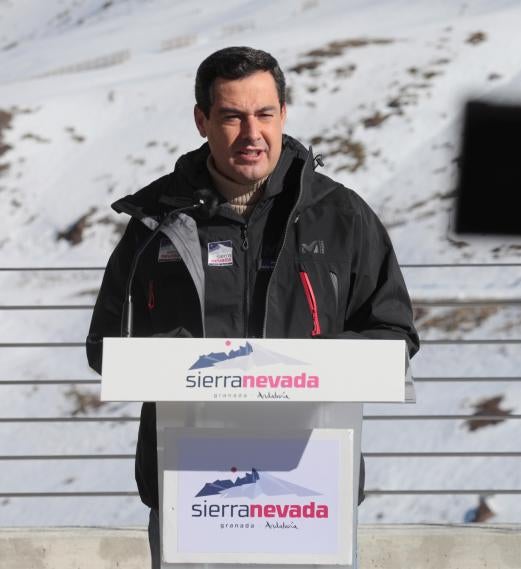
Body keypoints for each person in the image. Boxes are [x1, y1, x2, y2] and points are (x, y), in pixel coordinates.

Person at [86, 46, 419, 567]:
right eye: (232, 117)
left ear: (284, 114)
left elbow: (394, 334)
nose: (252, 133)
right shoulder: (156, 225)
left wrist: (313, 369)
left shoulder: (341, 218)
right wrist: (186, 368)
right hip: (191, 490)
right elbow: (107, 346)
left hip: (311, 487)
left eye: (265, 114)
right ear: (202, 121)